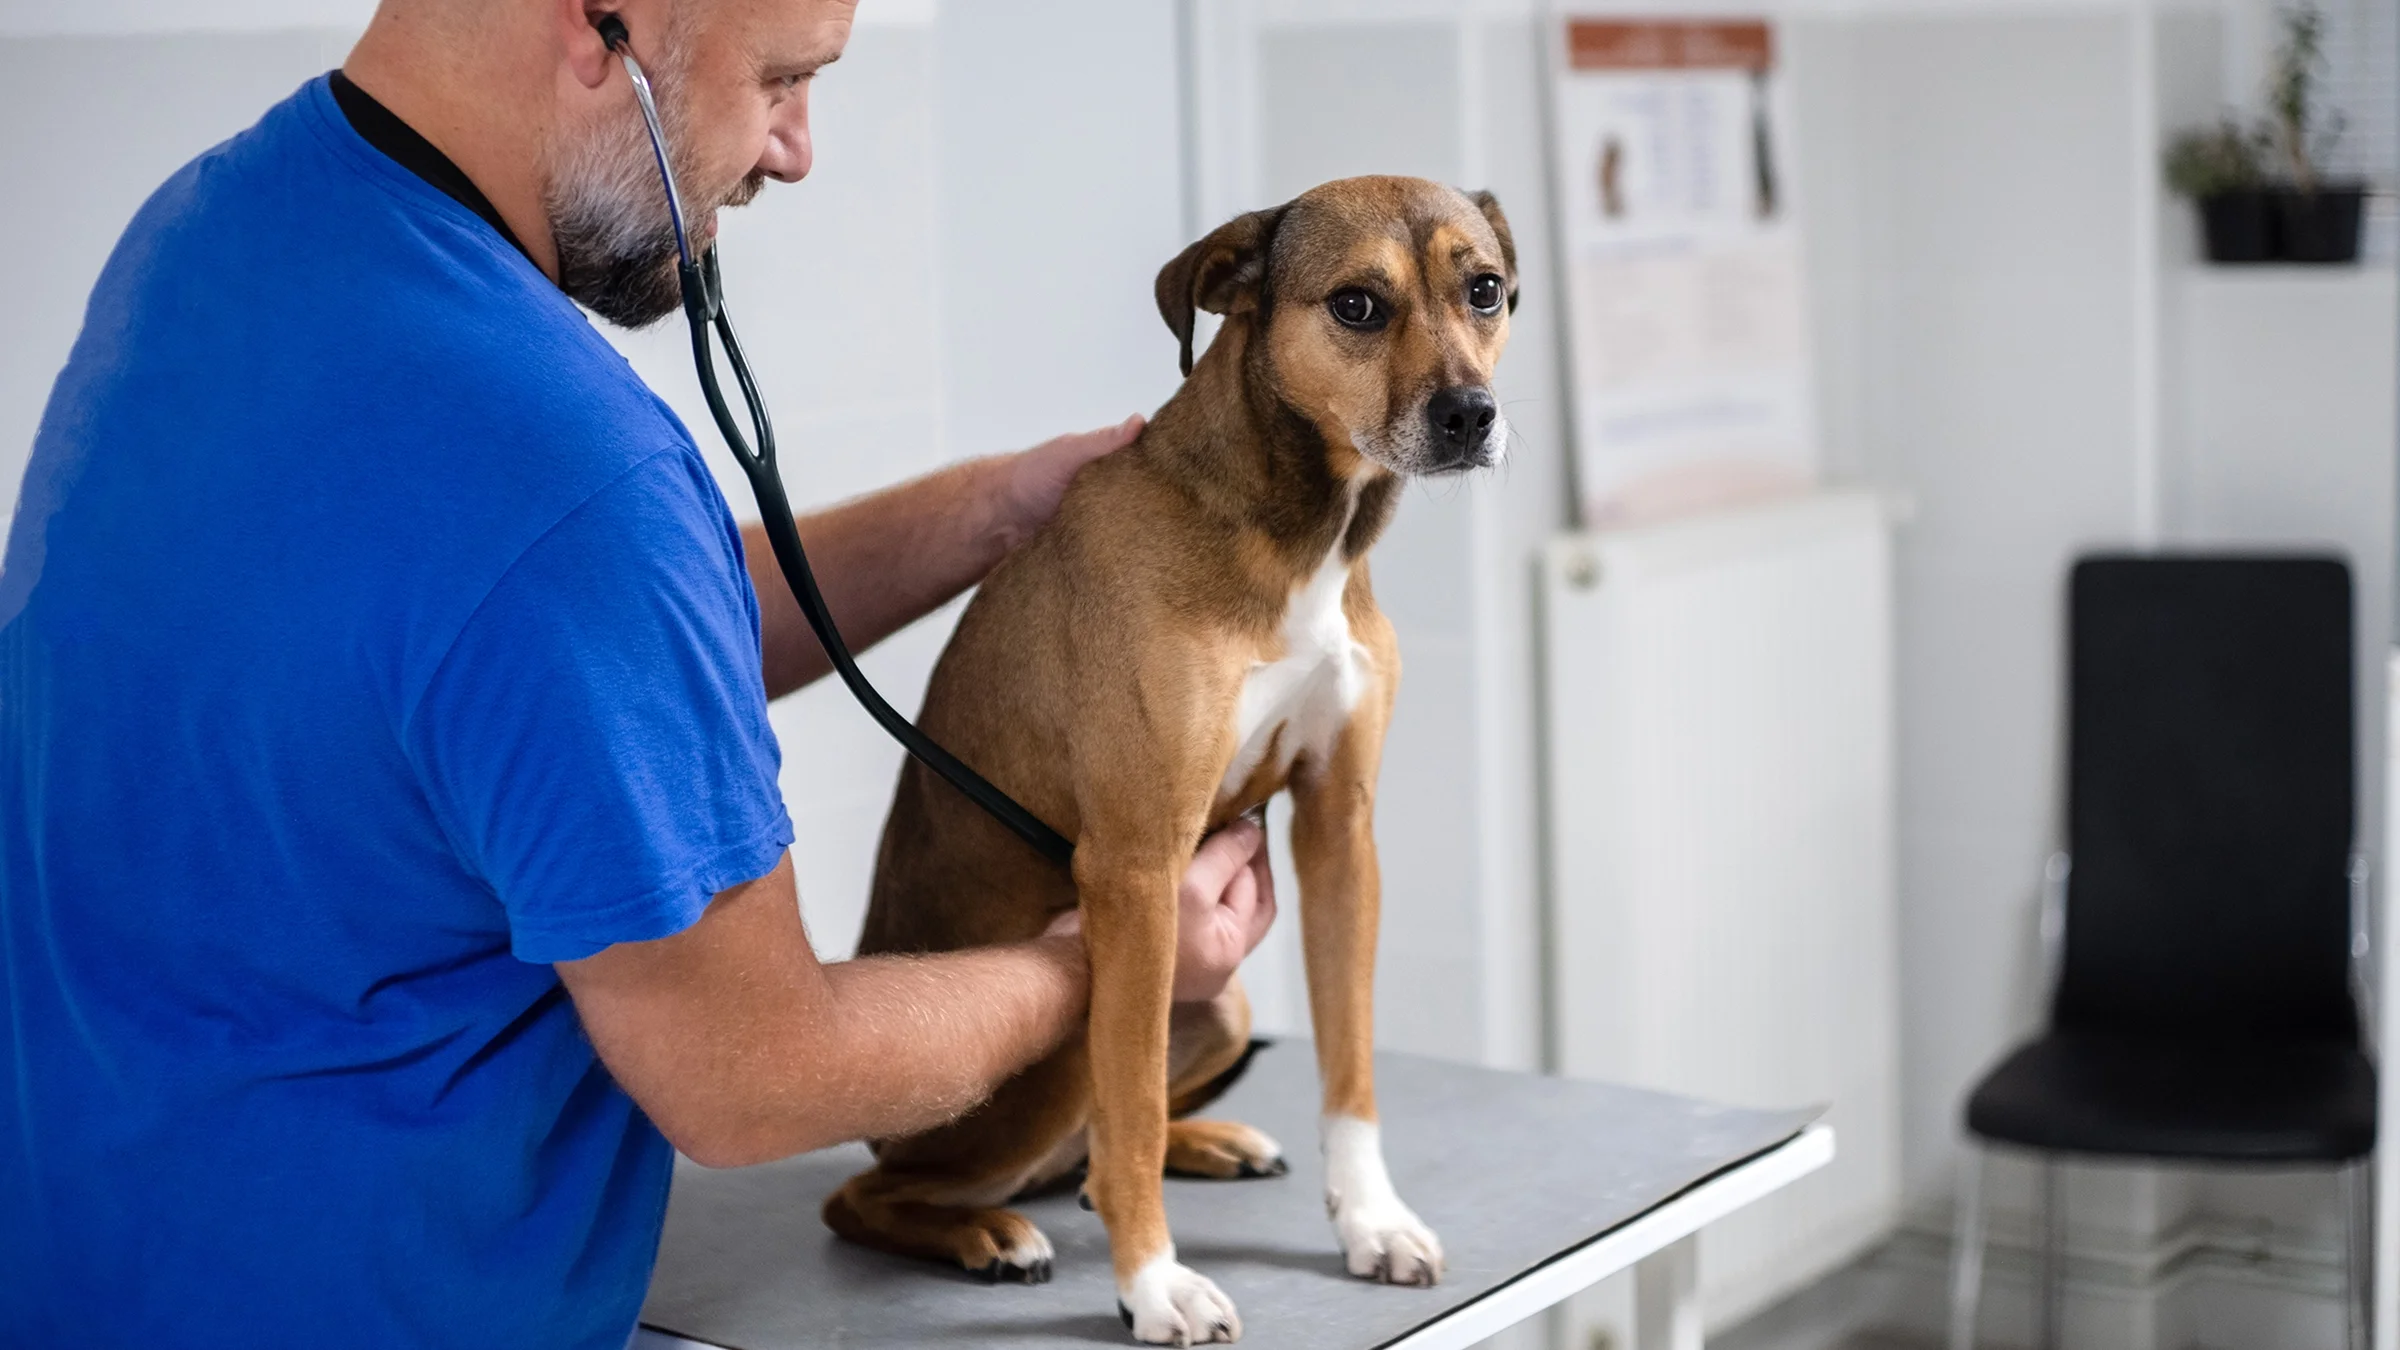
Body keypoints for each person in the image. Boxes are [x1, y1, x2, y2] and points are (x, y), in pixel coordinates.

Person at [0, 0, 1278, 1345]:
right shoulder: (560, 474)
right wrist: (1103, 958)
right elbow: (756, 1076)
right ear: (596, 22)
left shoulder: (210, 231)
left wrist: (996, 510)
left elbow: (544, 669)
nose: (795, 150)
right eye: (781, 79)